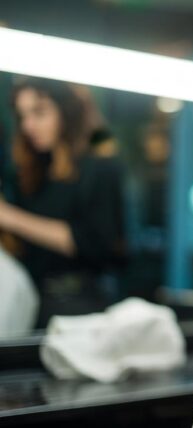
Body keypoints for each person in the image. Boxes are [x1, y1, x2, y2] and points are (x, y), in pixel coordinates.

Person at [0, 78, 126, 328]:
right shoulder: (30, 174)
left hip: (82, 311)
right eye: (23, 116)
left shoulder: (99, 169)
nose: (28, 125)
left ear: (65, 111)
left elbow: (96, 242)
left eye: (39, 113)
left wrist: (10, 217)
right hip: (33, 304)